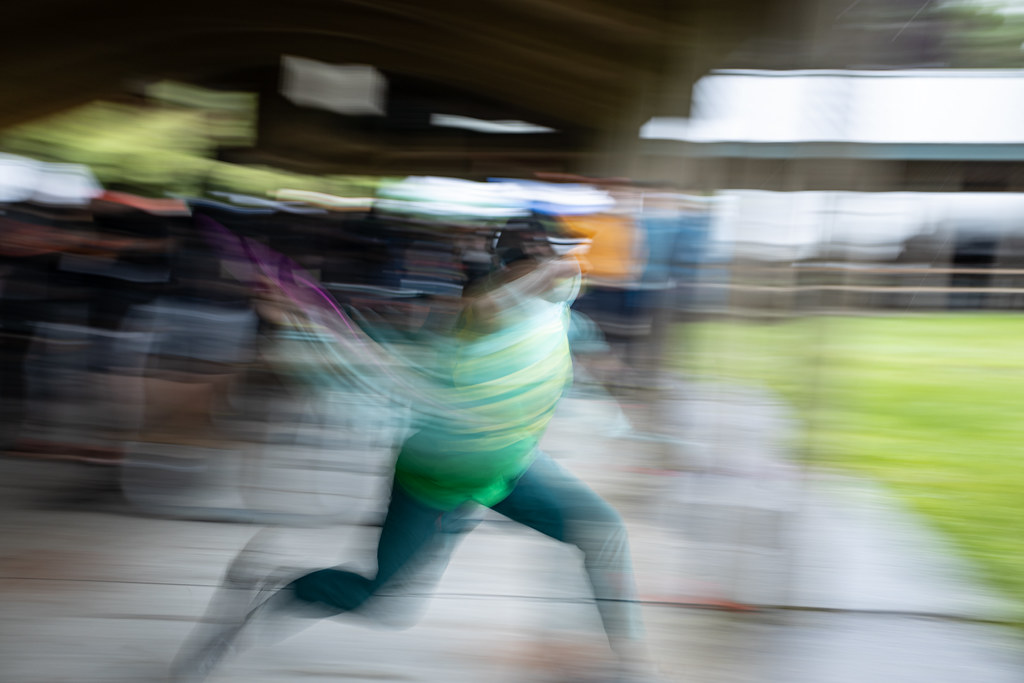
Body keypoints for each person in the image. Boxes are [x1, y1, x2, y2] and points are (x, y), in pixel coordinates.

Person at [171, 228, 659, 682]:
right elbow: (481, 311)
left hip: (509, 470)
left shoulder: (558, 316)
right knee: (381, 603)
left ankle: (628, 666)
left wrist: (624, 407)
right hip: (435, 480)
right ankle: (275, 591)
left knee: (603, 529)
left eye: (545, 260)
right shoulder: (474, 318)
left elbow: (594, 354)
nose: (543, 274)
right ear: (503, 272)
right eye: (524, 267)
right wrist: (297, 320)